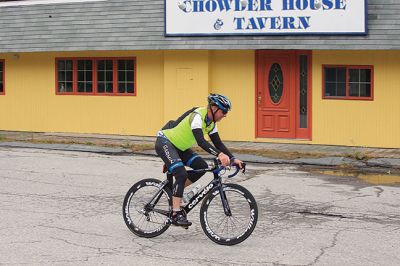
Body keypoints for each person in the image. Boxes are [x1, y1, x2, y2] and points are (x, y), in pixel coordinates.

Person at [155, 93, 244, 227]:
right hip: (165, 142)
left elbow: (218, 144)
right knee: (181, 174)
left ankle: (175, 193)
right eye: (224, 111)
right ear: (213, 108)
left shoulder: (211, 123)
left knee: (201, 167)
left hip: (180, 147)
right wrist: (220, 155)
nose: (225, 115)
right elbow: (201, 141)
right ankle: (175, 213)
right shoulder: (198, 116)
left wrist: (233, 158)